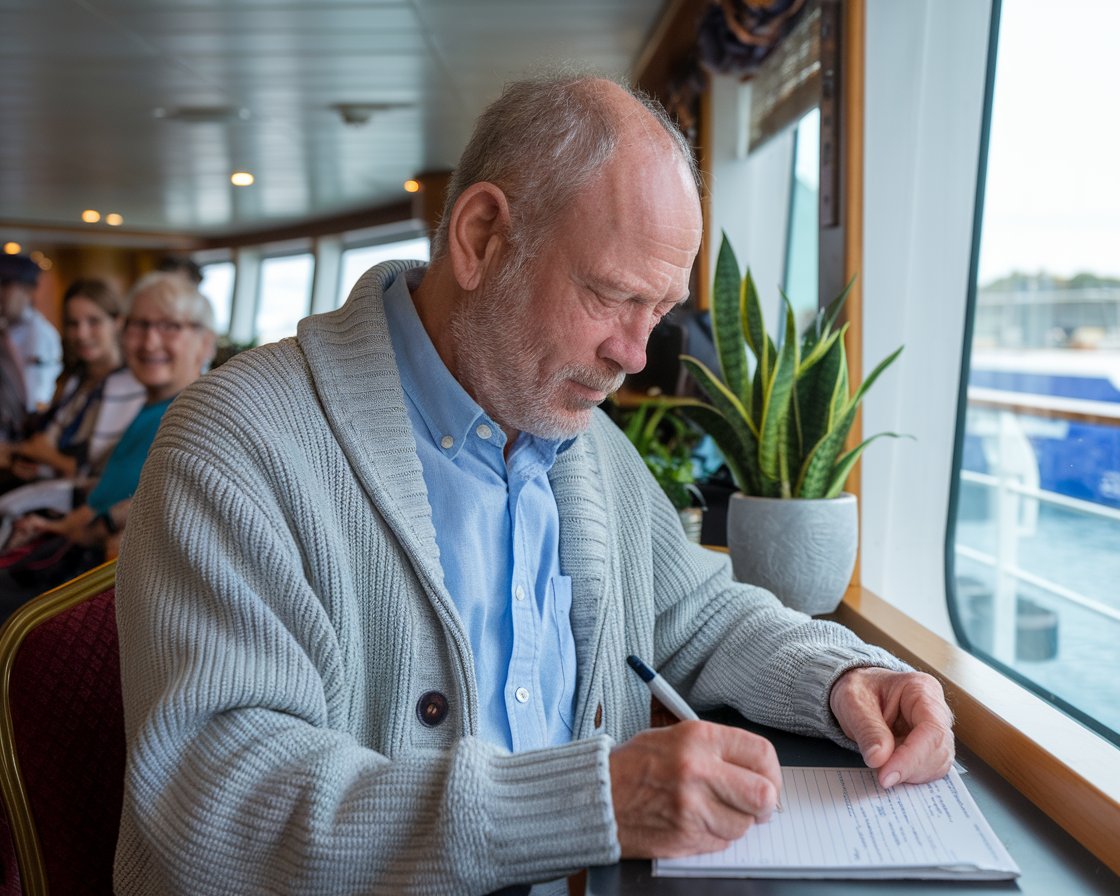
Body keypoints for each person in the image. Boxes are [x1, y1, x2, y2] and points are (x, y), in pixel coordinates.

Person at [114, 75, 954, 896]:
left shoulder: (574, 436)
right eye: (612, 295)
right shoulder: (235, 443)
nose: (634, 354)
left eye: (656, 311)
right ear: (480, 236)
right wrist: (588, 805)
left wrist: (847, 679)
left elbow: (697, 613)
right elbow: (220, 808)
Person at [0, 272, 215, 613]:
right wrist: (55, 526)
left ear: (205, 343)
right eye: (139, 325)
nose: (149, 342)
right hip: (76, 556)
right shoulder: (150, 408)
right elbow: (105, 495)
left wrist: (102, 527)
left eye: (170, 326)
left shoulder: (198, 415)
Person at [0, 278, 144, 494]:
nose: (81, 334)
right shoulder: (74, 381)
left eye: (93, 322)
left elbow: (109, 475)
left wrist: (47, 456)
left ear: (117, 322)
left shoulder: (132, 388)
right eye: (73, 324)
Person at [0, 254, 63, 439]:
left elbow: (38, 398)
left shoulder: (41, 335)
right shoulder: (5, 330)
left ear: (27, 290)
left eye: (5, 285)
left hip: (27, 436)